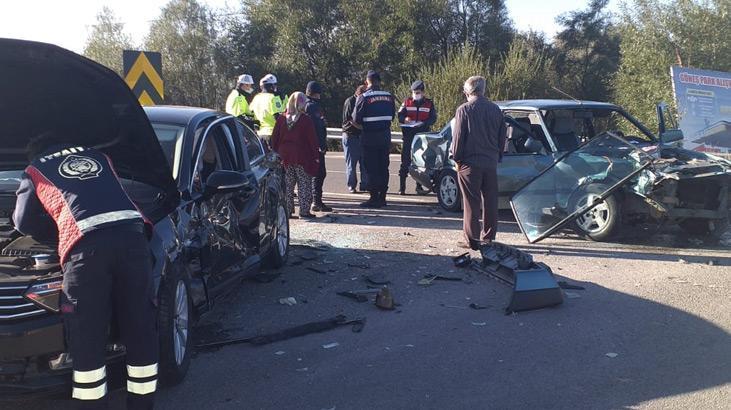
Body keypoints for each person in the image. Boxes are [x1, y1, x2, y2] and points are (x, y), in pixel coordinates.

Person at [13, 133, 158, 409]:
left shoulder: (35, 168)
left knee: (87, 337)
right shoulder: (99, 157)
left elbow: (22, 221)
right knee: (140, 328)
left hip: (86, 252)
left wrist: (56, 230)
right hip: (134, 240)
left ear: (34, 154)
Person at [450, 76, 507, 250]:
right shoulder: (496, 109)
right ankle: (488, 238)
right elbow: (502, 136)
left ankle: (472, 239)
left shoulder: (464, 110)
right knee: (490, 201)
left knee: (471, 203)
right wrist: (497, 156)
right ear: (483, 90)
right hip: (490, 162)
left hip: (470, 163)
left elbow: (458, 138)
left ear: (467, 92)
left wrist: (456, 159)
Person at [271, 92, 320, 219]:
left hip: (285, 157)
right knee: (304, 184)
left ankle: (287, 210)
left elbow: (274, 139)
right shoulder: (305, 119)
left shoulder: (281, 118)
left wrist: (276, 153)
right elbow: (312, 140)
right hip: (302, 157)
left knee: (287, 185)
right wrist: (316, 156)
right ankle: (304, 211)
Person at [352, 70, 396, 208]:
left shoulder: (364, 97)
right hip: (384, 136)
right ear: (379, 81)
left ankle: (373, 198)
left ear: (367, 82)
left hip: (369, 137)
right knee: (383, 167)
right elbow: (392, 116)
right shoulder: (389, 97)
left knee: (371, 168)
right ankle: (382, 197)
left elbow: (355, 119)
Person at [397, 80, 436, 195]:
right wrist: (405, 119)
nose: (416, 94)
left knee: (420, 162)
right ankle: (402, 187)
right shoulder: (407, 102)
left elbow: (433, 118)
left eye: (418, 92)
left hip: (422, 137)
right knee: (405, 161)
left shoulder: (429, 104)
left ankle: (419, 186)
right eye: (414, 92)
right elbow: (400, 115)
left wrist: (423, 123)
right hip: (409, 136)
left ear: (423, 93)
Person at [305, 81, 332, 212]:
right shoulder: (313, 107)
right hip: (315, 146)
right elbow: (318, 128)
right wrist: (322, 145)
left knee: (312, 174)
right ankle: (316, 201)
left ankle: (313, 201)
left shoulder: (304, 104)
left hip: (307, 146)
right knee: (319, 173)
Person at [342, 85, 368, 193]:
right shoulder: (350, 101)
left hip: (361, 137)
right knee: (351, 164)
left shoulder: (364, 101)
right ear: (359, 93)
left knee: (364, 163)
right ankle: (351, 185)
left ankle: (365, 185)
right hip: (350, 135)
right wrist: (361, 127)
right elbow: (350, 119)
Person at [250, 74, 287, 140]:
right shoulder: (273, 98)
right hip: (273, 133)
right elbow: (278, 117)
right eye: (275, 84)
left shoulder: (256, 98)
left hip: (260, 134)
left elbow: (251, 114)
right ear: (272, 86)